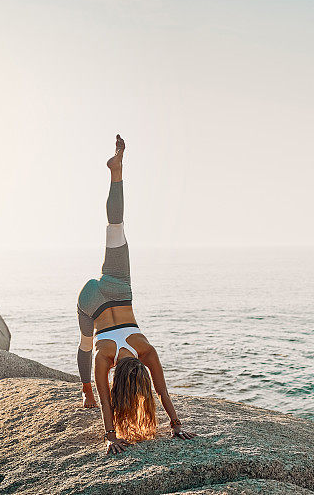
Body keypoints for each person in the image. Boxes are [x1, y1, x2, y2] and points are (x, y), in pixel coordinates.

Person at [76, 134, 195, 454]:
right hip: (91, 301)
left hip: (116, 288)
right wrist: (175, 426)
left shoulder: (146, 351)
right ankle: (84, 390)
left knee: (115, 226)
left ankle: (117, 171)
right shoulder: (108, 358)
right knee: (87, 344)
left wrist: (111, 437)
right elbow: (113, 402)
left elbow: (158, 392)